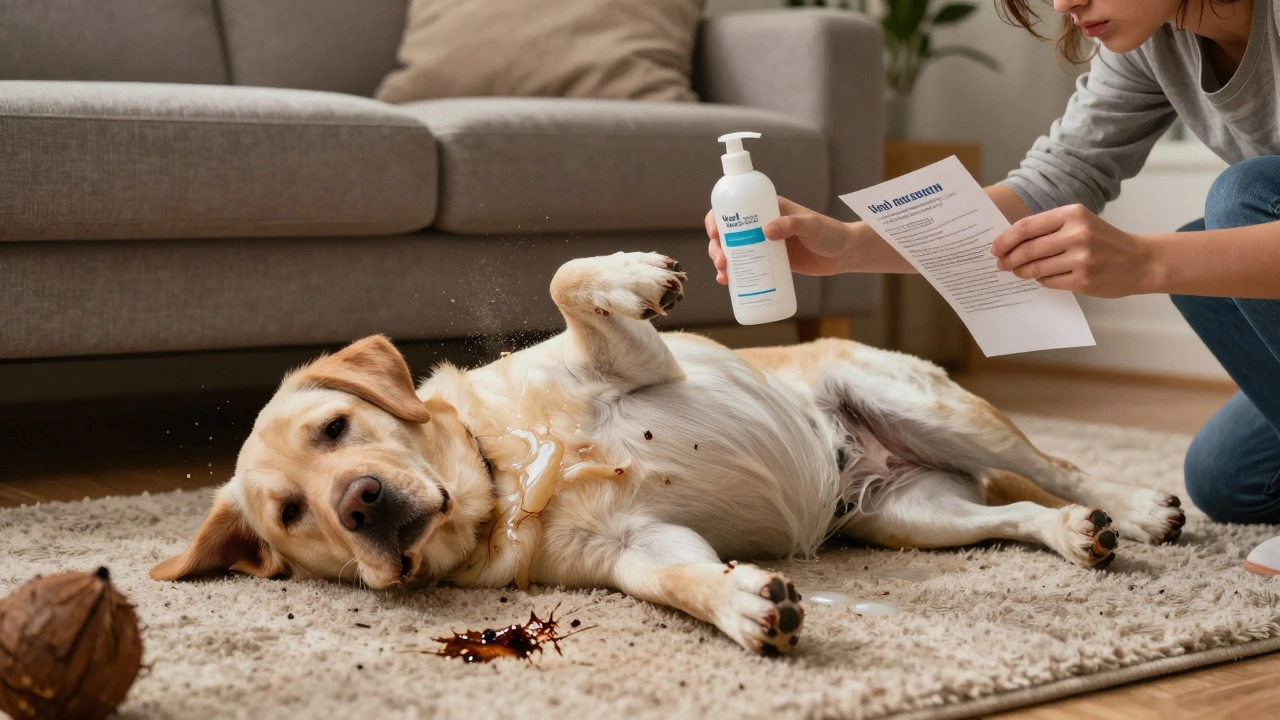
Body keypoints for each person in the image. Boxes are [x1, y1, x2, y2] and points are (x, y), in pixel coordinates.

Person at [705, 0, 1280, 576]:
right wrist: (847, 245)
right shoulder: (1155, 41)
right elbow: (1054, 181)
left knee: (1241, 198)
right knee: (1230, 480)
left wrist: (1146, 263)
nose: (1064, 5)